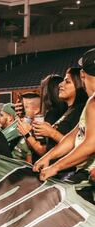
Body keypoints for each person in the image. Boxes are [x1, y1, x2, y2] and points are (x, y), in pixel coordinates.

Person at [33, 48, 95, 185]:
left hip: (88, 174)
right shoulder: (90, 101)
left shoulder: (93, 102)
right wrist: (48, 157)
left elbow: (91, 144)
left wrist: (55, 167)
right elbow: (75, 135)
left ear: (83, 74)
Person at [25, 68, 88, 158]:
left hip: (67, 171)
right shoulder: (69, 111)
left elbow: (80, 147)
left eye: (67, 81)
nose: (60, 84)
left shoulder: (80, 110)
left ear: (79, 85)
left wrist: (51, 132)